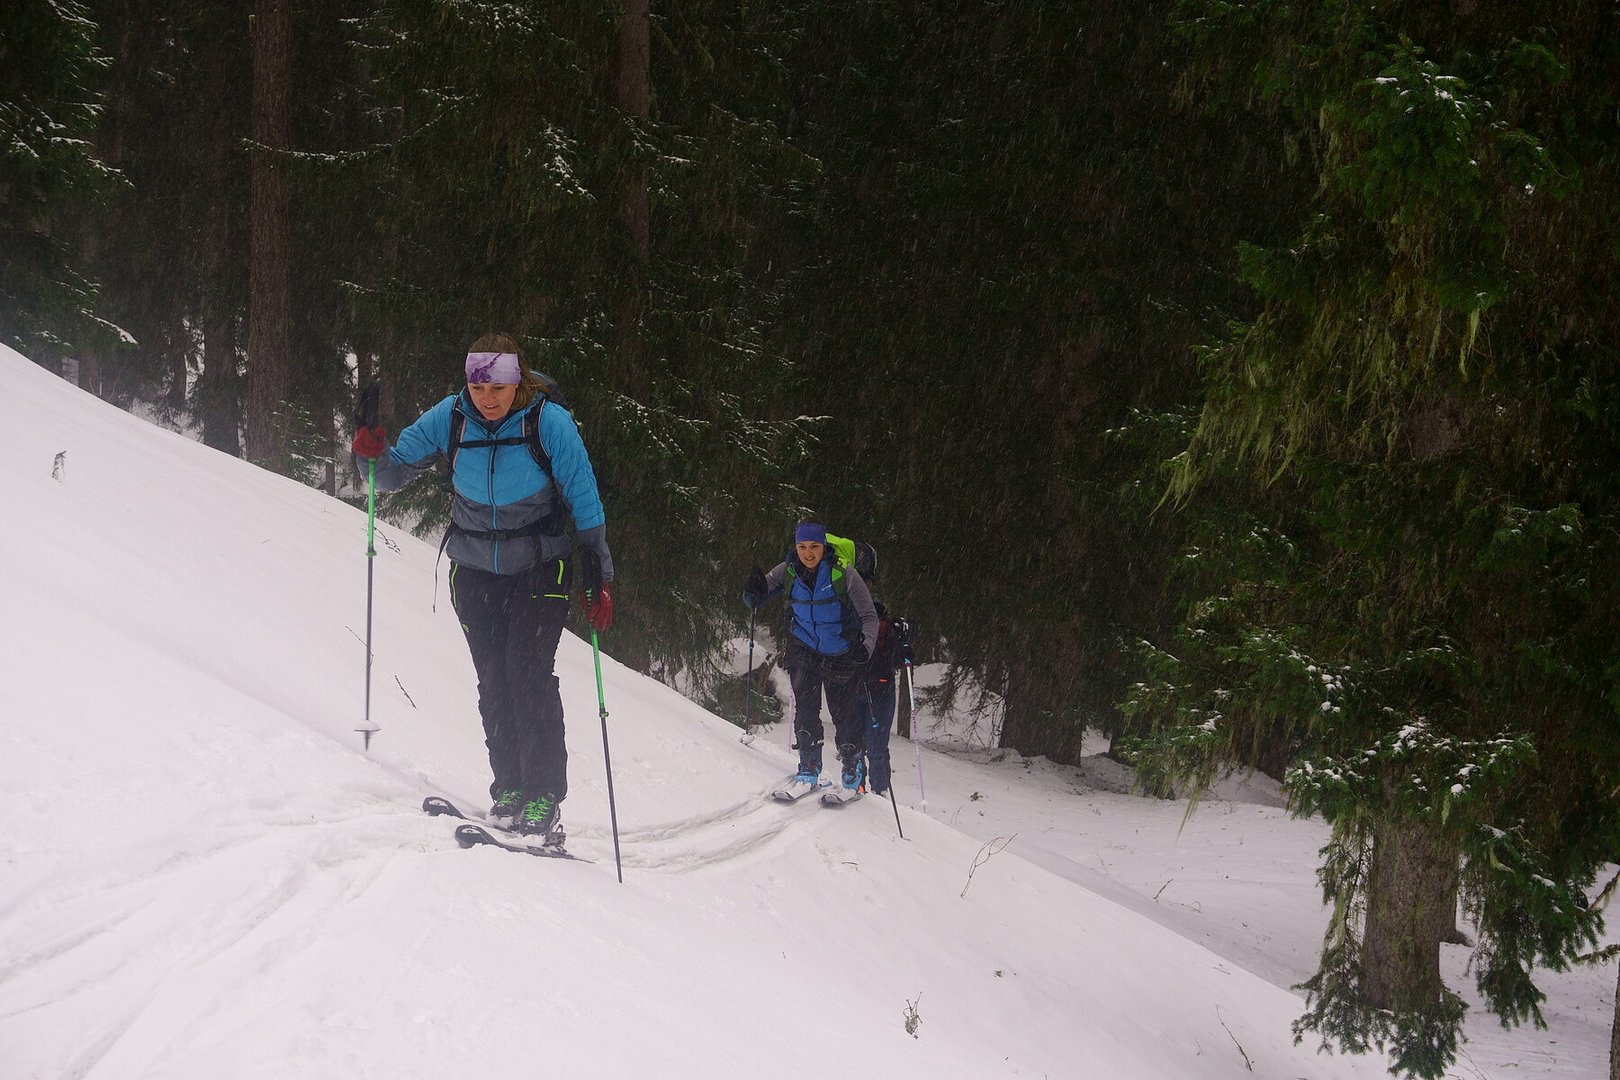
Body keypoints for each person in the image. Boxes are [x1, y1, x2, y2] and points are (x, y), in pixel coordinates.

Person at [351, 332, 614, 841]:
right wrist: (368, 452)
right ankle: (509, 787)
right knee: (493, 679)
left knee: (527, 673)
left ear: (518, 381)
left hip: (540, 567)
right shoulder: (451, 417)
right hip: (473, 572)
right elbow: (389, 474)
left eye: (498, 387)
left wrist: (599, 576)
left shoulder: (548, 423)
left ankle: (543, 794)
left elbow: (585, 497)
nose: (487, 398)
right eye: (478, 387)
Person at [742, 522, 879, 792]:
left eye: (814, 546)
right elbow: (756, 599)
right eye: (802, 546)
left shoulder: (843, 573)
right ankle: (809, 766)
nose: (808, 553)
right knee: (805, 711)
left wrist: (866, 647)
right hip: (803, 649)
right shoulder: (788, 570)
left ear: (823, 547)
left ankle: (852, 767)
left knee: (844, 716)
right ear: (796, 547)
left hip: (840, 652)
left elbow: (869, 616)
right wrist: (751, 591)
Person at [857, 561, 913, 798]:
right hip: (868, 686)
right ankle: (865, 787)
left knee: (871, 743)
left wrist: (905, 645)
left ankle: (872, 789)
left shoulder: (884, 624)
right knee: (866, 742)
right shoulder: (860, 614)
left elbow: (898, 657)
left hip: (875, 687)